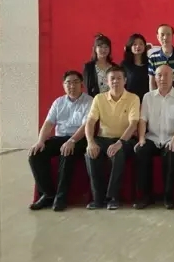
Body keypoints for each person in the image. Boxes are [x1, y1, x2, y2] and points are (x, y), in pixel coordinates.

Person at [28, 70, 93, 211]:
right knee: (35, 154)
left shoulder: (89, 101)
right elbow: (48, 123)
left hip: (79, 139)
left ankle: (61, 197)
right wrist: (40, 141)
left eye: (75, 82)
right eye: (68, 83)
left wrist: (72, 141)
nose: (72, 86)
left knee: (67, 153)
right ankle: (47, 194)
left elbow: (86, 126)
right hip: (60, 138)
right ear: (63, 85)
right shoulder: (58, 102)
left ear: (82, 85)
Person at [133, 65, 174, 210]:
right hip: (152, 138)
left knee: (172, 153)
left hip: (172, 138)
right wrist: (141, 138)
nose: (162, 78)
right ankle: (145, 196)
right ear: (155, 78)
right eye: (159, 75)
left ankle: (168, 196)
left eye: (166, 75)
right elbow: (142, 120)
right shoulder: (148, 97)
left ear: (173, 78)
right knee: (141, 151)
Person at [84, 65, 140, 210]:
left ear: (125, 80)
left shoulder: (133, 98)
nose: (116, 81)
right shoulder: (99, 98)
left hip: (125, 139)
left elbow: (133, 124)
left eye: (119, 78)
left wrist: (120, 142)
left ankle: (113, 197)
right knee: (90, 154)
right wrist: (90, 142)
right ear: (107, 81)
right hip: (103, 138)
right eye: (112, 79)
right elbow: (90, 122)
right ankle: (98, 198)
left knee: (118, 153)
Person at [148, 24, 174, 89]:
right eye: (162, 34)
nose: (165, 37)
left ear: (172, 36)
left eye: (168, 34)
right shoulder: (153, 58)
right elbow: (152, 83)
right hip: (159, 94)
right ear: (158, 37)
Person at [120, 33, 150, 102]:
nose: (138, 46)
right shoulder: (125, 64)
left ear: (145, 46)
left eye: (141, 44)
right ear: (130, 47)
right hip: (129, 101)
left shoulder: (150, 63)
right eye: (134, 44)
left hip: (147, 101)